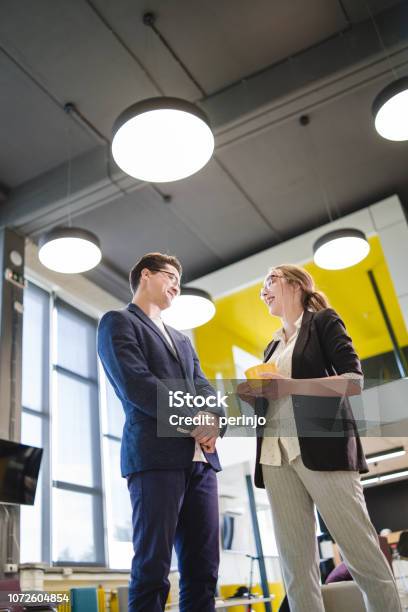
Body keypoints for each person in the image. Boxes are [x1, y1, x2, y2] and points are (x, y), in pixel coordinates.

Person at [238, 264, 402, 612]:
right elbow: (276, 399)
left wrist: (290, 387)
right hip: (275, 456)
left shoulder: (323, 321)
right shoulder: (272, 345)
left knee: (363, 557)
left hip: (322, 448)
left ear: (296, 285)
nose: (263, 292)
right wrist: (256, 397)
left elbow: (353, 382)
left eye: (270, 282)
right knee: (296, 570)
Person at [97, 252, 224, 612]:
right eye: (170, 277)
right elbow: (138, 385)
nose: (176, 287)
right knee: (153, 566)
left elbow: (205, 389)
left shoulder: (183, 340)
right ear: (146, 275)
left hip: (202, 462)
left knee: (204, 570)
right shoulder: (118, 322)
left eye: (180, 282)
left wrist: (215, 420)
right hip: (155, 459)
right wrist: (194, 420)